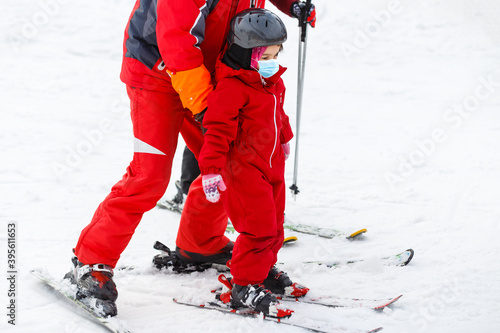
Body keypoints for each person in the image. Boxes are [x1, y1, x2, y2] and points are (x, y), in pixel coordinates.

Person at [66, 0, 316, 317]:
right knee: (149, 176)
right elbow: (177, 37)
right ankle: (90, 261)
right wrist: (203, 105)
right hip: (157, 73)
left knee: (231, 165)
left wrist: (292, 4)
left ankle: (202, 243)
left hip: (213, 69)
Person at [198, 8, 308, 318]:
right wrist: (210, 170)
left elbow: (279, 115)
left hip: (271, 167)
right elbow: (216, 132)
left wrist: (284, 137)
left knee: (274, 226)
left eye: (276, 53)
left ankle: (261, 271)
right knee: (257, 229)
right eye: (267, 55)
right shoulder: (231, 89)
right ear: (246, 53)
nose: (273, 61)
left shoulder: (270, 82)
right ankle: (243, 286)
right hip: (245, 172)